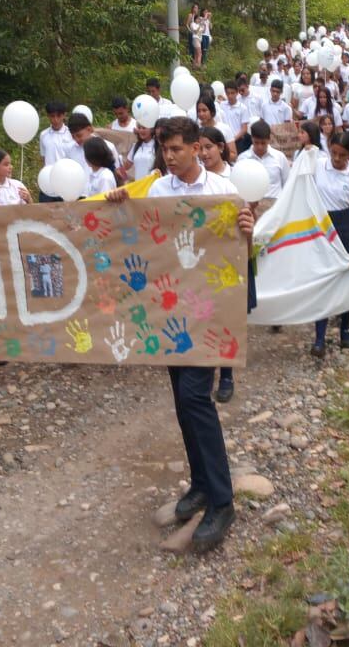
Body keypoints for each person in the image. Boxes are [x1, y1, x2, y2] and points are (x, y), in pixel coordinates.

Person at [105, 117, 255, 553]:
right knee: (181, 401)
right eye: (164, 151)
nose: (169, 157)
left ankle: (223, 501)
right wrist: (119, 202)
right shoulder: (156, 191)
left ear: (197, 147)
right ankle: (201, 485)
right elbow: (139, 239)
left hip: (208, 313)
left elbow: (242, 254)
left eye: (176, 149)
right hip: (169, 313)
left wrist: (247, 233)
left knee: (195, 398)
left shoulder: (222, 193)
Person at [311, 132, 349, 356]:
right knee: (322, 281)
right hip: (322, 227)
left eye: (342, 155)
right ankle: (319, 337)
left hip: (345, 228)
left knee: (345, 280)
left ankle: (345, 327)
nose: (336, 158)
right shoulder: (318, 167)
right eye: (333, 153)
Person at [196, 125, 236, 402]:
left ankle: (227, 375)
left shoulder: (230, 181)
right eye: (200, 147)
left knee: (224, 316)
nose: (204, 153)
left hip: (222, 258)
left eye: (209, 146)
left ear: (221, 147)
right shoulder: (189, 181)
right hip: (195, 259)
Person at [237, 120, 290, 198]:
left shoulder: (279, 157)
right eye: (256, 142)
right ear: (252, 139)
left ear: (269, 139)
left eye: (263, 143)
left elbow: (287, 183)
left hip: (276, 205)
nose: (260, 147)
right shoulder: (242, 159)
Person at [67, 112, 121, 185]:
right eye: (73, 137)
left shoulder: (107, 146)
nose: (76, 139)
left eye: (79, 135)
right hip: (77, 193)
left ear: (89, 129)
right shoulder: (70, 149)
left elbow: (118, 171)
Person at [38, 102, 75, 201]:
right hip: (48, 180)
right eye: (52, 116)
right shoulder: (43, 135)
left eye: (58, 116)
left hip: (67, 180)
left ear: (64, 115)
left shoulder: (71, 134)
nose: (55, 120)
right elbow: (43, 158)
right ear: (48, 116)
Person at [217, 82, 251, 156]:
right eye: (228, 93)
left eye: (232, 93)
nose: (230, 96)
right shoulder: (222, 105)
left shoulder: (243, 108)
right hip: (224, 141)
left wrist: (233, 139)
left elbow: (244, 128)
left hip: (238, 141)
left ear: (237, 93)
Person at [187, 3, 205, 68]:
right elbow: (187, 24)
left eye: (197, 8)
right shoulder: (190, 15)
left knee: (195, 51)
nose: (196, 9)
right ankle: (194, 63)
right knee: (192, 49)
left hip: (197, 35)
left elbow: (200, 24)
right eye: (195, 8)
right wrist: (190, 30)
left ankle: (194, 64)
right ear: (192, 8)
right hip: (192, 33)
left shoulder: (197, 17)